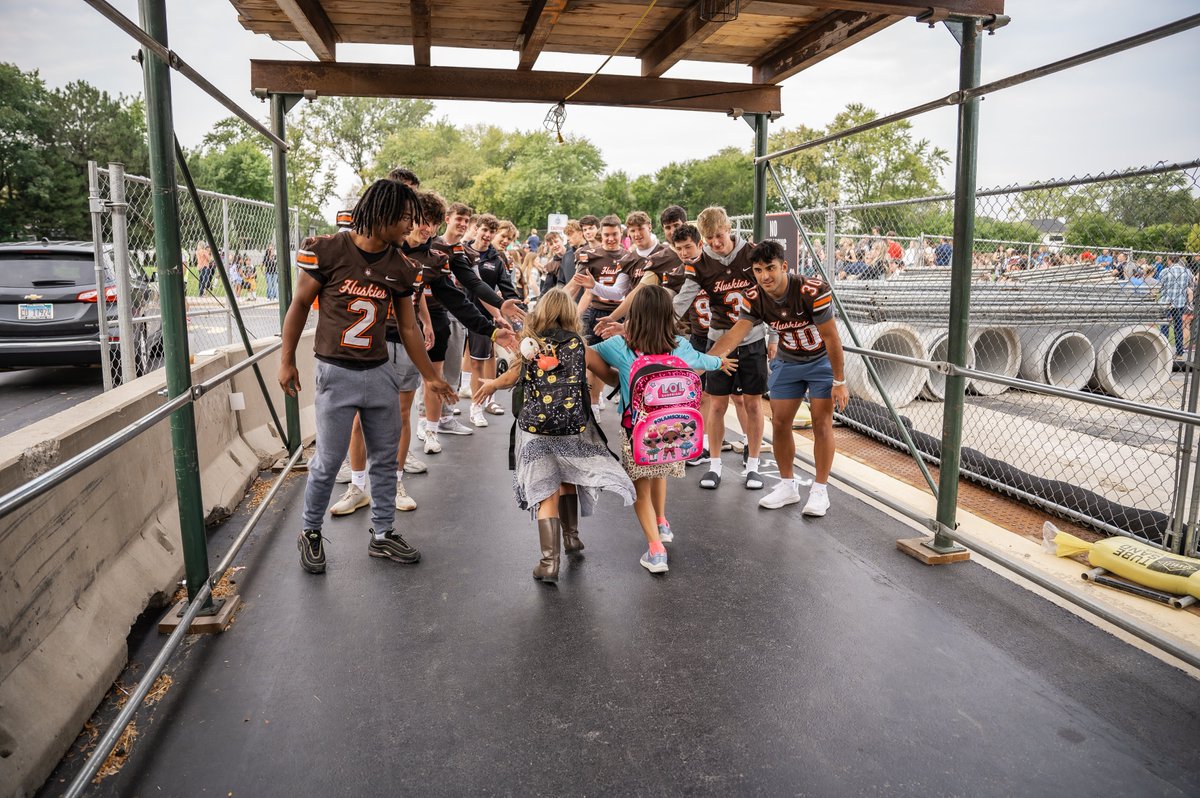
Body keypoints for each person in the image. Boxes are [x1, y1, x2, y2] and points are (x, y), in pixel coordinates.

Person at [278, 179, 457, 575]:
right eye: (406, 219)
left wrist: (429, 376)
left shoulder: (402, 266)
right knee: (328, 459)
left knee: (384, 457)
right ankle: (310, 531)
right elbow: (300, 305)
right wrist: (286, 359)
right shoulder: (326, 251)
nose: (410, 228)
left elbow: (408, 329)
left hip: (380, 371)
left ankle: (382, 533)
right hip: (335, 369)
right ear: (383, 215)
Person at [329, 191, 518, 517]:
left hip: (406, 341)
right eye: (421, 222)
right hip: (368, 341)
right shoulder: (383, 245)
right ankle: (358, 486)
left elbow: (458, 294)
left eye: (431, 223)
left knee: (401, 415)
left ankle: (395, 482)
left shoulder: (435, 255)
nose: (427, 229)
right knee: (361, 417)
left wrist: (492, 324)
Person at [473, 288, 634, 583]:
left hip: (537, 428)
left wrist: (493, 384)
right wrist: (629, 369)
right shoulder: (581, 347)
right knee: (568, 477)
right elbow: (611, 376)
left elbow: (514, 376)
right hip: (573, 425)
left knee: (547, 489)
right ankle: (572, 537)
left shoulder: (529, 345)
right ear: (571, 314)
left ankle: (549, 563)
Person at [592, 286, 734, 574]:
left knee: (639, 486)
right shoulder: (679, 346)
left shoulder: (620, 346)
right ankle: (662, 522)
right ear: (669, 315)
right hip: (675, 432)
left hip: (638, 432)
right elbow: (705, 362)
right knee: (659, 472)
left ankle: (656, 551)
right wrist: (721, 361)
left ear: (634, 316)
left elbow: (583, 353)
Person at [706, 241, 848, 516]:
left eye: (770, 268)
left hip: (820, 361)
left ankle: (820, 490)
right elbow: (736, 334)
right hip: (788, 360)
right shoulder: (755, 296)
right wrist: (702, 364)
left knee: (821, 423)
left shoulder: (811, 290)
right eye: (758, 270)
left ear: (784, 266)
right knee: (780, 422)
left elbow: (832, 338)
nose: (764, 276)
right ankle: (787, 485)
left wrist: (839, 380)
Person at [671, 206, 769, 491]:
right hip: (719, 339)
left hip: (752, 338)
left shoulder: (752, 253)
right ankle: (714, 465)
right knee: (717, 403)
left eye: (719, 235)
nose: (715, 242)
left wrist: (772, 338)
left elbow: (771, 294)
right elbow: (681, 302)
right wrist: (655, 327)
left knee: (752, 403)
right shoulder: (699, 264)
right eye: (709, 237)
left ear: (729, 229)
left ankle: (753, 465)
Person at [570, 214, 628, 414]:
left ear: (621, 233)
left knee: (622, 359)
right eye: (606, 235)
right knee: (594, 360)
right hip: (596, 312)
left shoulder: (629, 257)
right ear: (600, 234)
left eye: (614, 234)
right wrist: (573, 314)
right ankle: (594, 402)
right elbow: (582, 288)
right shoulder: (590, 255)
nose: (611, 238)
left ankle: (618, 397)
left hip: (621, 314)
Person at [1158, 256, 1194, 357]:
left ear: (1169, 260)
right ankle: (1179, 352)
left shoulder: (1165, 271)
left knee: (1164, 327)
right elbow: (1190, 285)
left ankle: (1164, 352)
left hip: (1166, 303)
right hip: (1180, 303)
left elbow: (1160, 286)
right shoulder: (1187, 271)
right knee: (1178, 328)